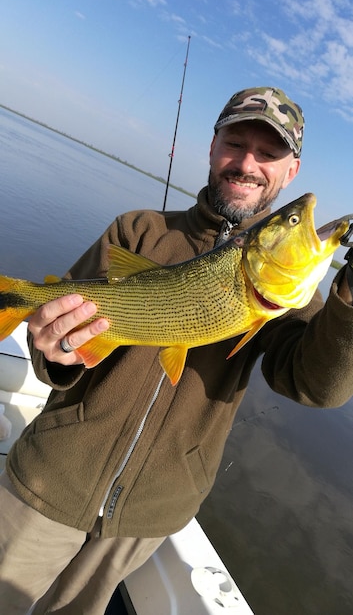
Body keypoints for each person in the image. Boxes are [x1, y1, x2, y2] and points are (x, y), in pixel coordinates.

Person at [1, 86, 353, 615]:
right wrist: (54, 351)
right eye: (236, 143)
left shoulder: (295, 297)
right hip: (50, 481)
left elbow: (314, 386)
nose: (248, 164)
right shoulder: (137, 230)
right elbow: (53, 354)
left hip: (146, 520)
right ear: (213, 148)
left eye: (269, 154)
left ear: (290, 172)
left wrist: (348, 299)